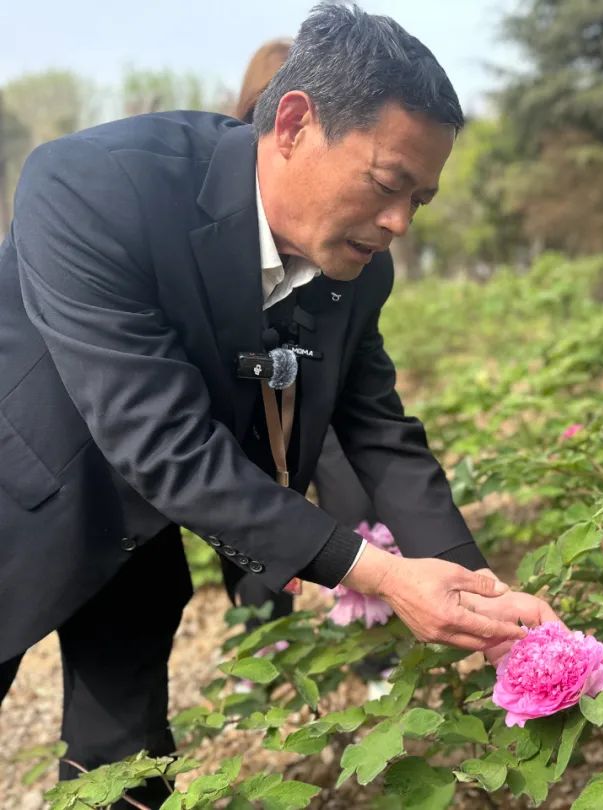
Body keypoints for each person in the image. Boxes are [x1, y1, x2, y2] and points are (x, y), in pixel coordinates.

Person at [0, 5, 556, 807]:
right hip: (19, 496)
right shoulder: (95, 187)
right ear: (294, 123)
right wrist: (385, 576)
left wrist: (476, 592)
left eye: (420, 201)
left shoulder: (358, 269)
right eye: (388, 185)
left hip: (137, 532)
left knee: (125, 764)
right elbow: (164, 445)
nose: (399, 223)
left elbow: (380, 431)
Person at [224, 37, 379, 628]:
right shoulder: (234, 177)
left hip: (313, 373)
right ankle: (266, 634)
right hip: (253, 378)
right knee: (254, 497)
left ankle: (369, 617)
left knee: (348, 493)